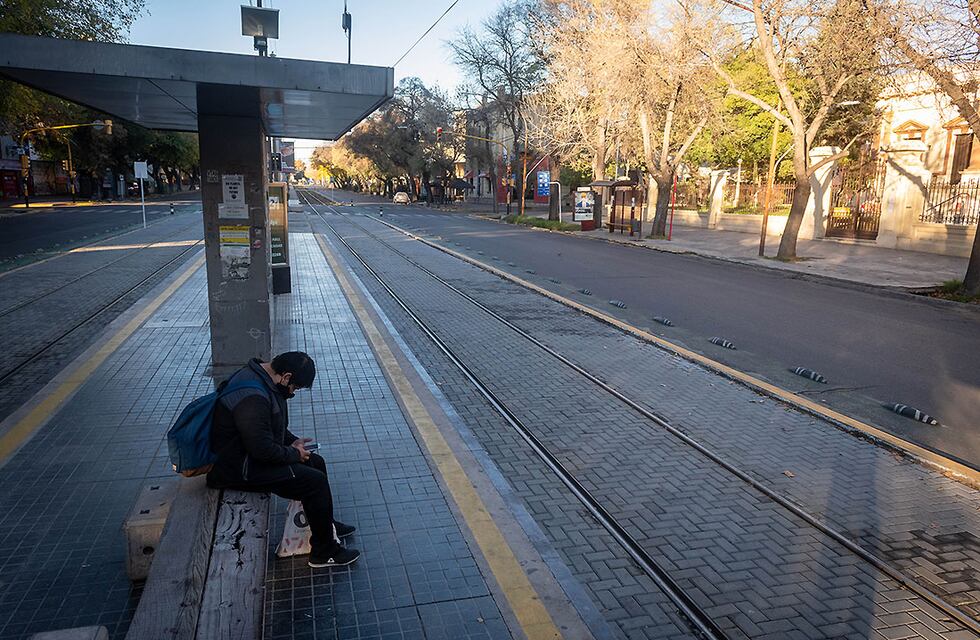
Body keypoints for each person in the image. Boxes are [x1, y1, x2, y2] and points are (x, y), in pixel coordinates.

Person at [206, 352, 360, 568]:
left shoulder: (260, 377)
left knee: (316, 462)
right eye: (294, 388)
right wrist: (294, 454)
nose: (292, 393)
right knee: (313, 482)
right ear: (286, 376)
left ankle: (326, 526)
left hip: (247, 458)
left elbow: (269, 429)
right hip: (238, 469)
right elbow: (262, 450)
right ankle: (324, 553)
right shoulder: (253, 397)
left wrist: (294, 443)